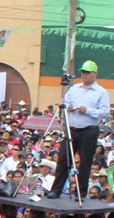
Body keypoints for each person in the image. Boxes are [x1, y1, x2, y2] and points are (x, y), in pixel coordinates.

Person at [44, 59, 110, 200]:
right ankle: (56, 190)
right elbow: (64, 102)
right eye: (83, 72)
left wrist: (88, 110)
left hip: (89, 130)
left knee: (85, 162)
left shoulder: (101, 92)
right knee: (63, 159)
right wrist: (68, 107)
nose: (84, 75)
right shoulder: (74, 89)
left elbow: (105, 112)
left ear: (95, 74)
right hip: (72, 128)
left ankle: (80, 192)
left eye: (87, 72)